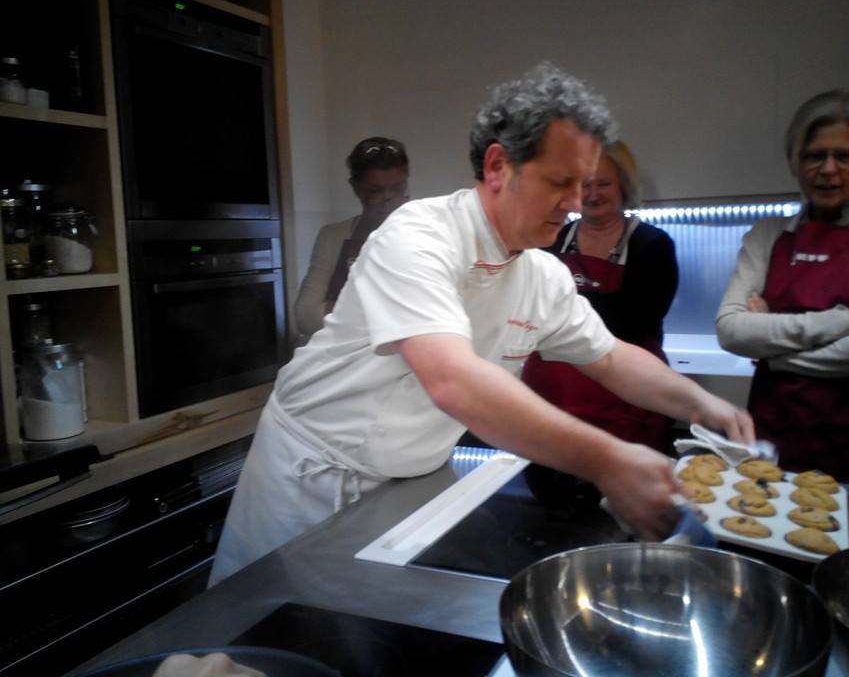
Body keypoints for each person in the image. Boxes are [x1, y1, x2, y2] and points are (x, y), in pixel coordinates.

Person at [210, 63, 753, 586]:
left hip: (410, 475)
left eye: (583, 183)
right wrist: (608, 460)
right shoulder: (418, 234)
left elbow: (609, 356)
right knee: (262, 626)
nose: (574, 203)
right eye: (560, 181)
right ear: (498, 167)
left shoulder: (541, 272)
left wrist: (701, 405)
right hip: (310, 476)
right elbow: (453, 380)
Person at [716, 89, 849, 487]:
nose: (829, 169)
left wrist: (777, 355)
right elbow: (731, 330)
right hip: (780, 433)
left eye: (844, 155)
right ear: (793, 161)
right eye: (814, 155)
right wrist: (842, 323)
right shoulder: (766, 235)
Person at [521, 141, 678, 508]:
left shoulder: (652, 245)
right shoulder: (552, 240)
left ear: (623, 186)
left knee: (624, 504)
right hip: (555, 395)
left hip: (625, 393)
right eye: (583, 184)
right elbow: (532, 306)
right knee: (552, 501)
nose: (592, 195)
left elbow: (637, 319)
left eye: (603, 184)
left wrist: (563, 309)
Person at [293, 137, 410, 336]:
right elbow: (305, 317)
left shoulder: (423, 235)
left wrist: (340, 309)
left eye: (397, 188)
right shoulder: (332, 236)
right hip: (341, 351)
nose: (388, 198)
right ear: (356, 187)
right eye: (375, 190)